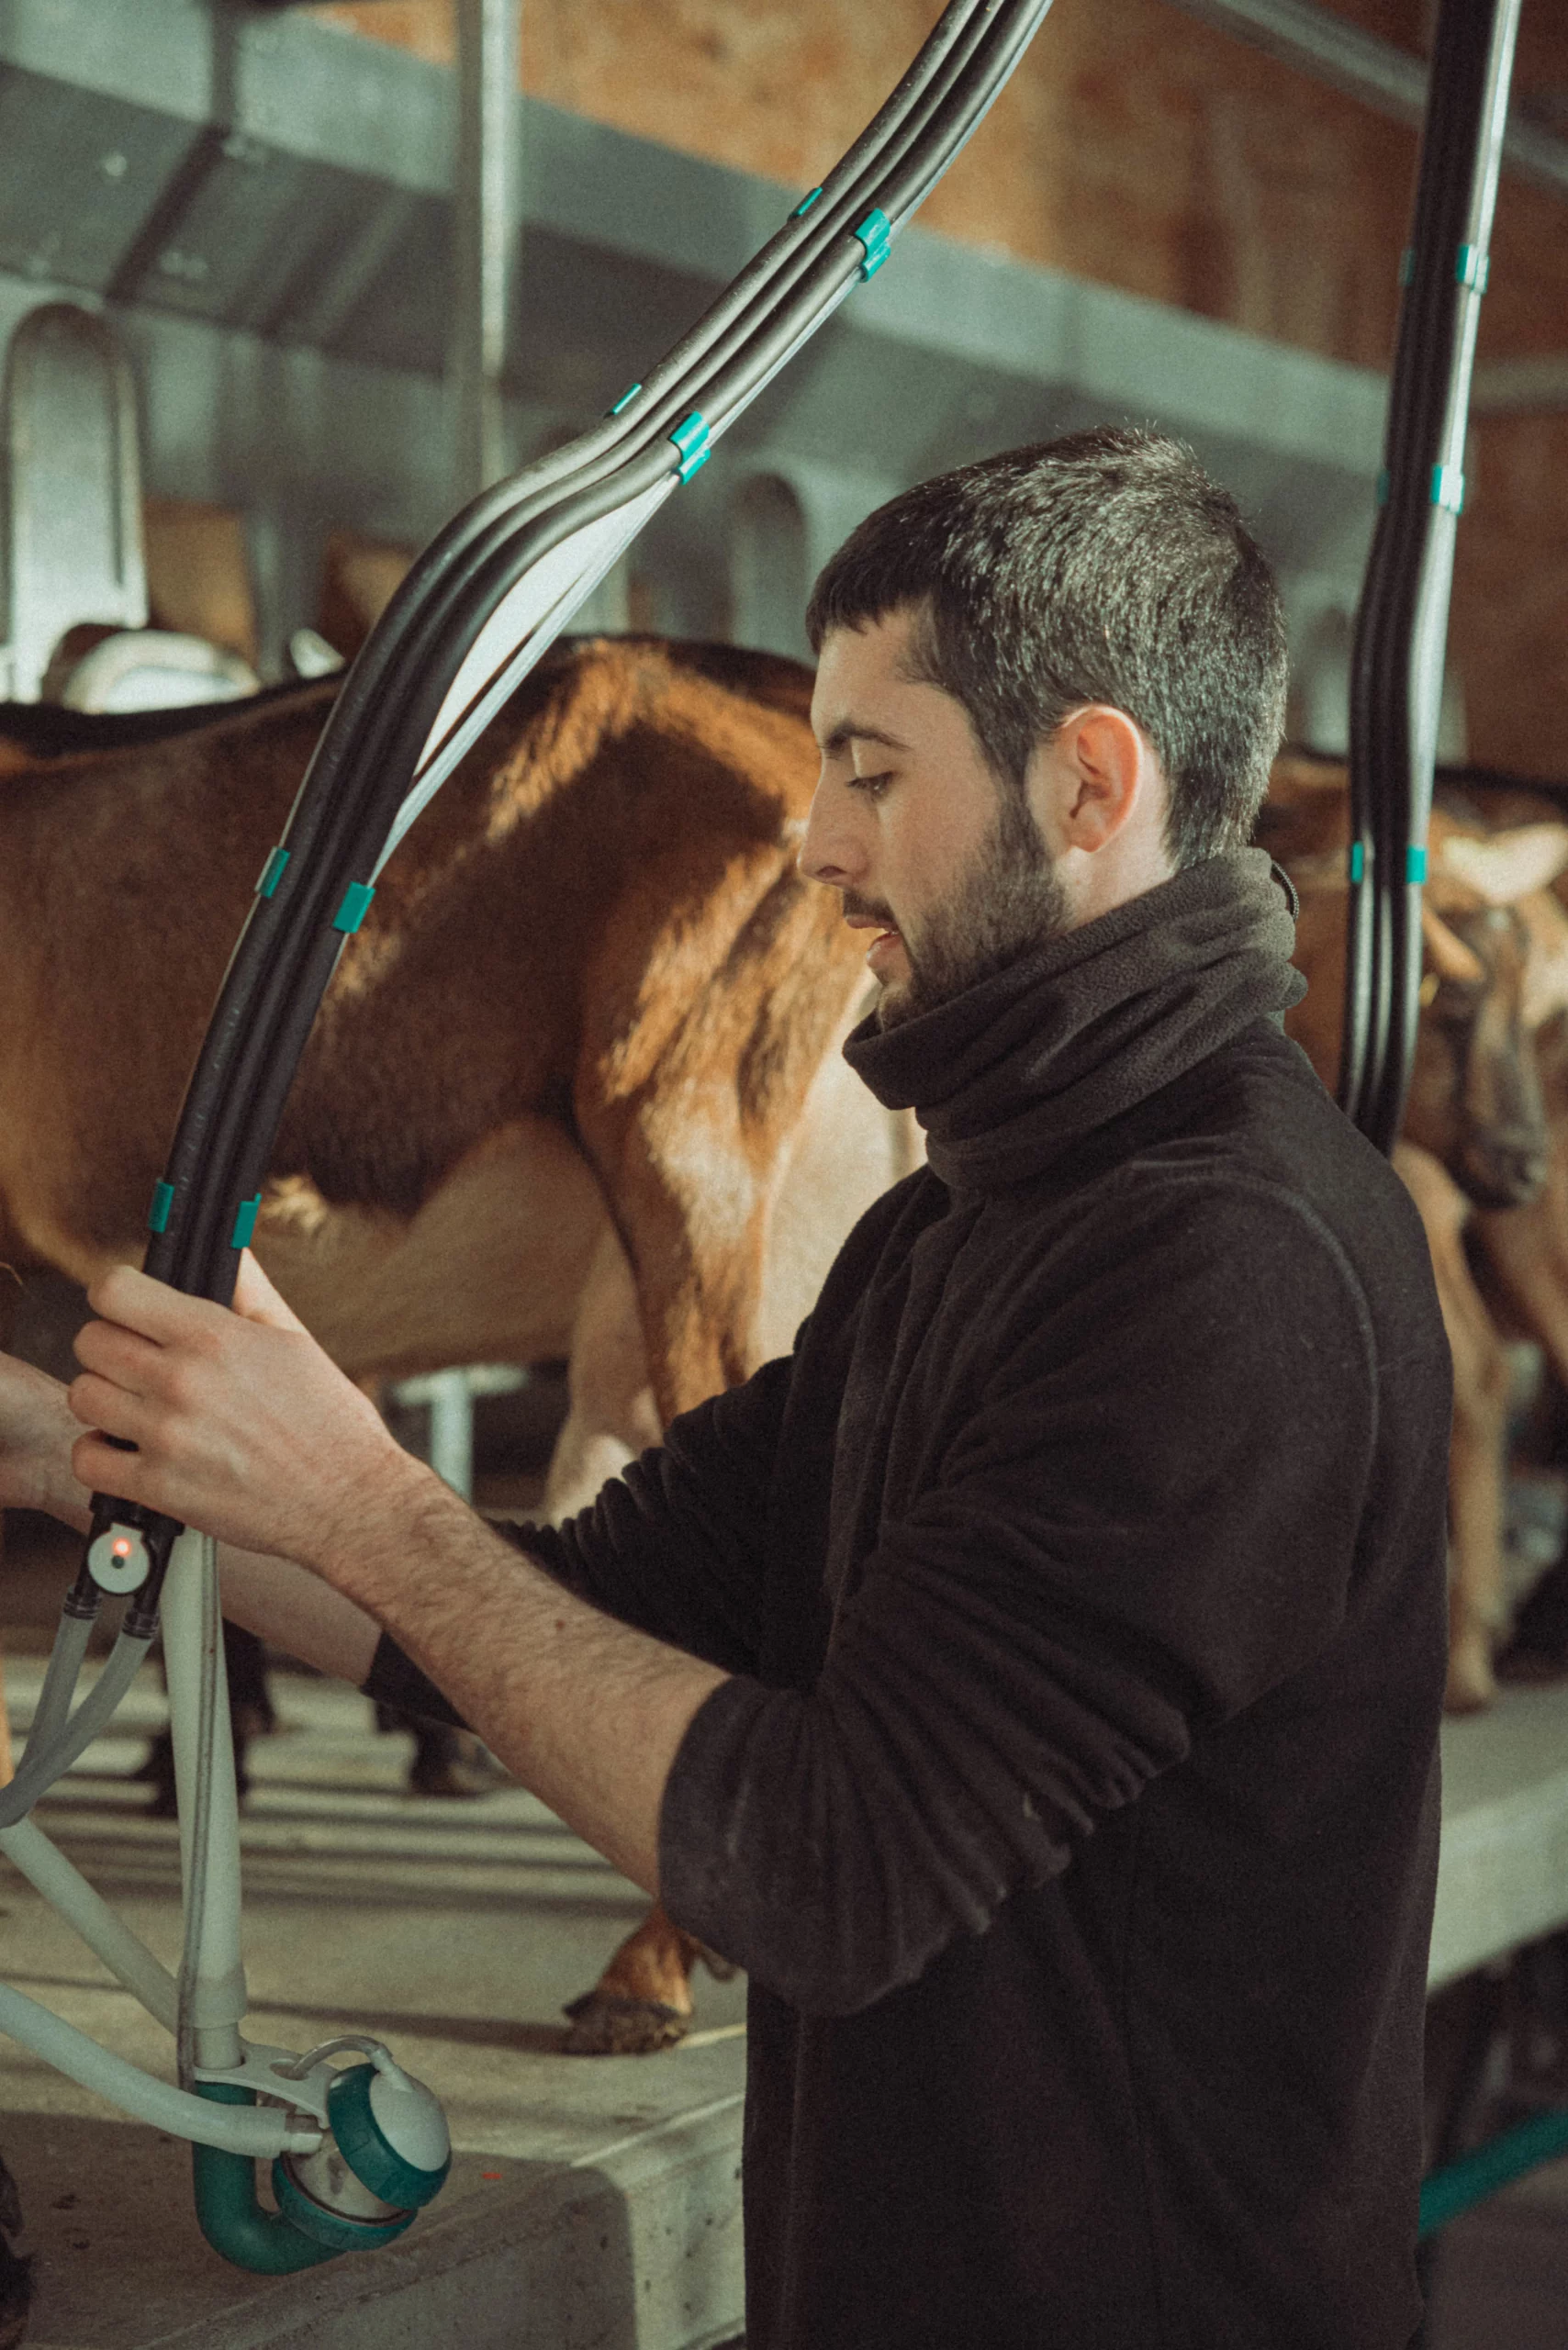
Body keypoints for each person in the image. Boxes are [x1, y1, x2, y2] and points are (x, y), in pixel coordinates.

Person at [0, 428, 1450, 2349]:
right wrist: (56, 1439)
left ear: (1086, 780)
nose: (814, 837)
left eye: (868, 769)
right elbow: (561, 1608)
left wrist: (359, 1491)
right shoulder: (952, 1233)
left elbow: (833, 1867)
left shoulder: (1226, 1265)